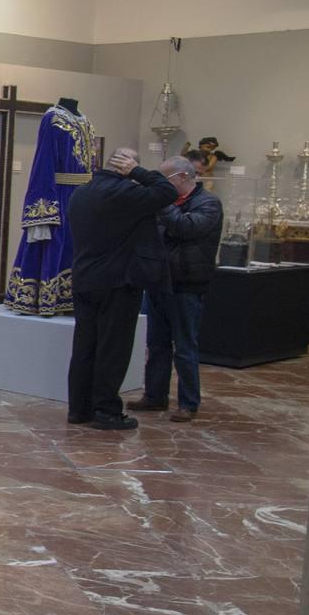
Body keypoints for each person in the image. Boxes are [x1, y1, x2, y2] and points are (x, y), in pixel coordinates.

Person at [65, 148, 181, 430]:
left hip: (84, 278)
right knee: (112, 348)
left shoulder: (81, 193)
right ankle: (106, 411)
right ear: (127, 167)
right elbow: (167, 191)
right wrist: (138, 173)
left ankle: (79, 409)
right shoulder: (125, 194)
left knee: (84, 346)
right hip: (117, 282)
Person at [131, 151, 222, 422]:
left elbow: (185, 227)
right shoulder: (167, 204)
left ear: (183, 176)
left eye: (163, 178)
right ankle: (155, 396)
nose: (160, 184)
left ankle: (188, 402)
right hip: (159, 282)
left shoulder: (209, 204)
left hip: (187, 285)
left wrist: (161, 204)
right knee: (156, 345)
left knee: (184, 346)